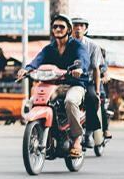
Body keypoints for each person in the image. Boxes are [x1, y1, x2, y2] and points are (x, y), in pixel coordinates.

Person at [16, 13, 89, 157]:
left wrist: (79, 69)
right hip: (54, 85)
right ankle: (42, 133)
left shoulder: (76, 45)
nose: (58, 29)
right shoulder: (49, 48)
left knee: (70, 101)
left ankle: (76, 139)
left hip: (74, 84)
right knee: (35, 101)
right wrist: (27, 69)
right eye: (55, 26)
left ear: (68, 29)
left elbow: (82, 59)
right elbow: (38, 60)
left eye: (61, 26)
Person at [71, 15, 106, 145]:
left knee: (92, 99)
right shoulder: (65, 43)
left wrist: (97, 91)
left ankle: (89, 133)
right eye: (75, 25)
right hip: (68, 81)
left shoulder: (93, 46)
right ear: (71, 28)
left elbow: (96, 69)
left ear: (85, 29)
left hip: (87, 81)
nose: (78, 28)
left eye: (81, 26)